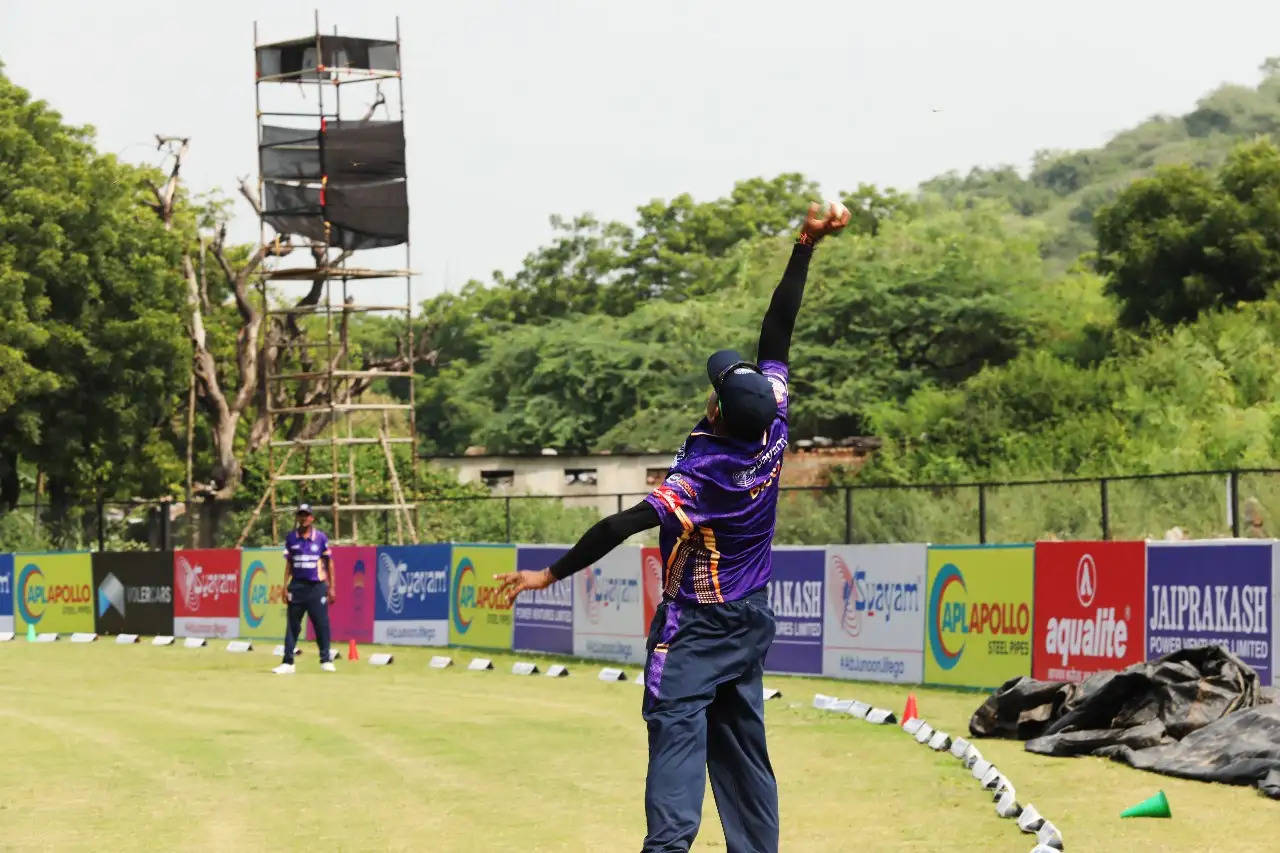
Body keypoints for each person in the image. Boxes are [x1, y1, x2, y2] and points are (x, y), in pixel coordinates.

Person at [497, 201, 849, 853]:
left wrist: (547, 573)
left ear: (716, 409)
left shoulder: (705, 473)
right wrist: (805, 243)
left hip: (697, 628)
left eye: (716, 387)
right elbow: (779, 332)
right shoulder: (771, 421)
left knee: (677, 744)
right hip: (750, 617)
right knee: (744, 757)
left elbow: (623, 522)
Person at [272, 503, 337, 674]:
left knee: (321, 624)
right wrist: (285, 586)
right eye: (300, 514)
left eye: (306, 515)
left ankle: (325, 660)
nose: (303, 518)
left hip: (316, 587)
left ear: (312, 518)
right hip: (297, 586)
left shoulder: (321, 538)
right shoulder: (291, 538)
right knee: (293, 625)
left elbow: (329, 563)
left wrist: (331, 587)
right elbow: (289, 564)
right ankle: (288, 662)